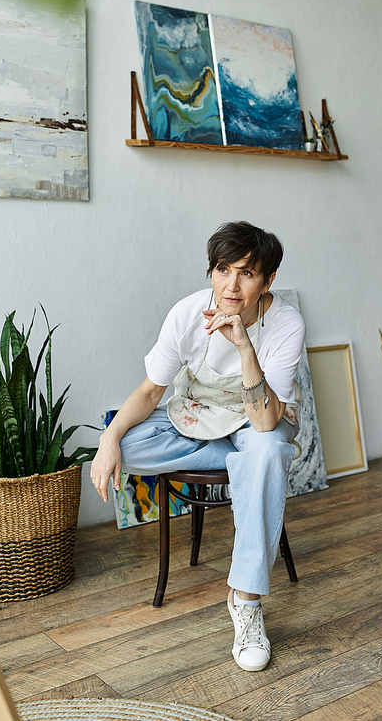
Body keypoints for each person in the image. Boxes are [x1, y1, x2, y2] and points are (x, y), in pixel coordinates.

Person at [90, 221, 305, 672]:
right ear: (211, 271)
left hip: (257, 420)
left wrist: (245, 348)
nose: (231, 285)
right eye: (223, 269)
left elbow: (266, 420)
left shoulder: (285, 323)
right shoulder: (187, 314)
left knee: (265, 449)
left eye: (246, 274)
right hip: (198, 418)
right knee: (125, 446)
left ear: (267, 281)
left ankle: (245, 601)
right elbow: (152, 392)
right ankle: (246, 467)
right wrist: (110, 438)